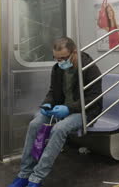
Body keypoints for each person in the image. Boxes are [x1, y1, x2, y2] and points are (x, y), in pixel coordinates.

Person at [8, 37, 102, 187]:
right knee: (34, 124)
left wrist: (69, 109)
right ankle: (24, 174)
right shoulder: (58, 68)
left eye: (63, 58)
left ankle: (36, 178)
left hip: (85, 111)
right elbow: (53, 91)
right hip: (61, 108)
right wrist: (47, 103)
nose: (60, 62)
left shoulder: (89, 68)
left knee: (59, 129)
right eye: (56, 58)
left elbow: (94, 98)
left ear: (74, 53)